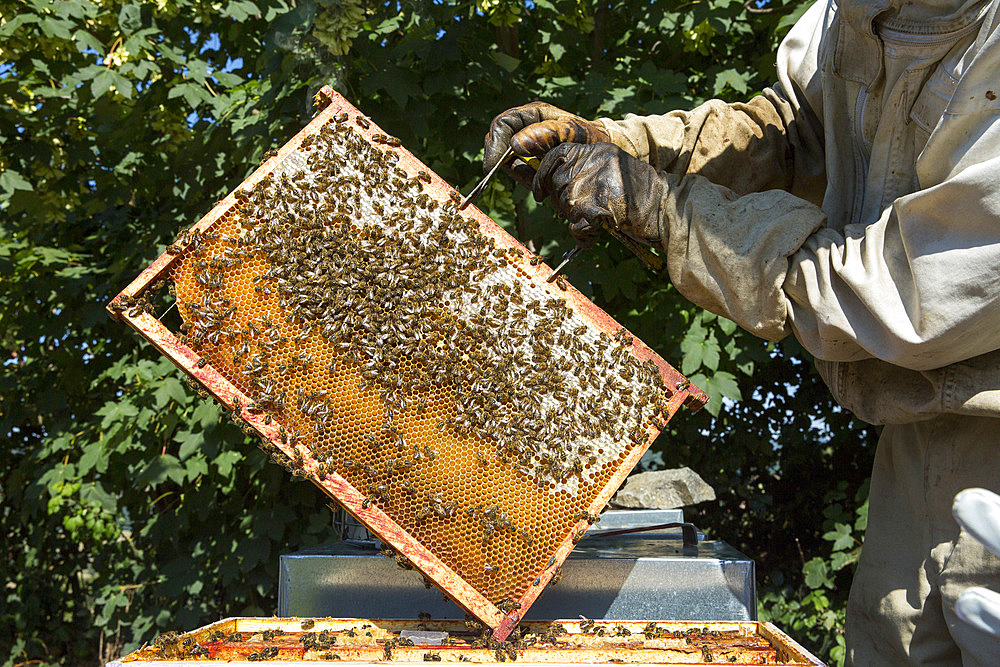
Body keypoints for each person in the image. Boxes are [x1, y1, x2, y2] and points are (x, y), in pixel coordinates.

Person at [482, 0, 1000, 663]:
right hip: (913, 449)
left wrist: (664, 208)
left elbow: (894, 294)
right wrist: (626, 148)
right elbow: (791, 130)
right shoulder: (854, 12)